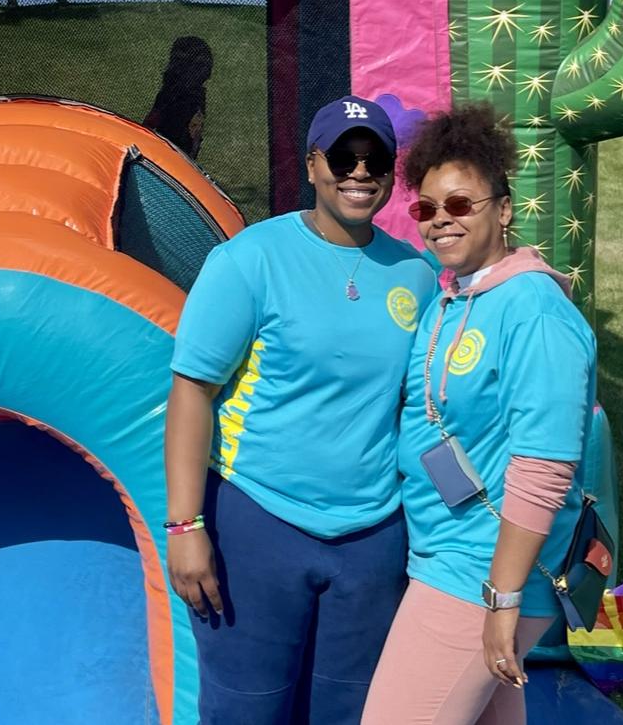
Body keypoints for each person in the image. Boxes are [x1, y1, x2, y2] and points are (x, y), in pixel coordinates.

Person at [165, 95, 440, 725]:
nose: (360, 173)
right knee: (247, 712)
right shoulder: (249, 260)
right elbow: (191, 392)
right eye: (343, 157)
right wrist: (185, 527)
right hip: (257, 525)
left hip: (372, 539)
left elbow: (430, 405)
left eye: (376, 160)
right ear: (313, 164)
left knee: (350, 711)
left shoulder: (415, 275)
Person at [363, 104, 597, 725]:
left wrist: (503, 599)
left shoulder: (535, 312)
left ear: (504, 208)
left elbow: (543, 467)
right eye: (426, 209)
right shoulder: (452, 299)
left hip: (482, 574)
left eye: (461, 204)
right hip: (452, 558)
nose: (441, 221)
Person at [144, 35, 214, 158]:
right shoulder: (192, 95)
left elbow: (150, 123)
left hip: (171, 155)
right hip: (168, 155)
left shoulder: (174, 93)